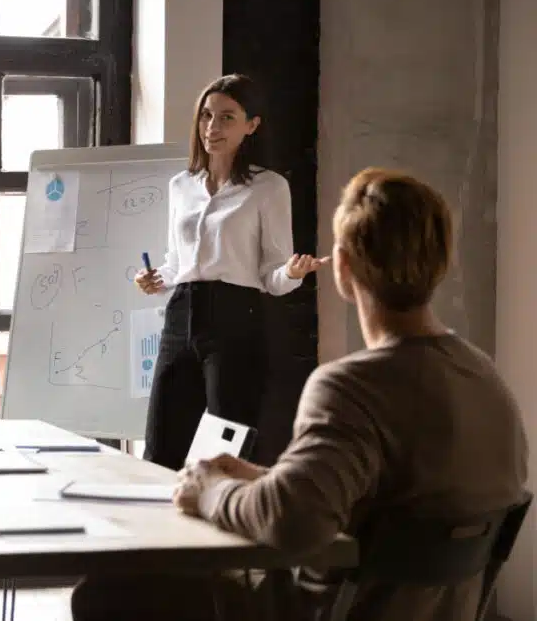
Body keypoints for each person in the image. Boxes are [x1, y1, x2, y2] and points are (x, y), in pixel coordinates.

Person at [72, 168, 529, 621]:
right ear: (442, 261)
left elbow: (293, 523)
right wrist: (262, 478)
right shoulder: (485, 378)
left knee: (110, 591)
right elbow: (368, 498)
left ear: (344, 268)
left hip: (326, 611)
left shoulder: (351, 387)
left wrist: (211, 490)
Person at [135, 73, 328, 470]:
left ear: (252, 125)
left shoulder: (269, 188)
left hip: (235, 317)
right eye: (206, 115)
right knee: (160, 448)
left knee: (228, 445)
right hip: (180, 314)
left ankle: (226, 526)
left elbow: (271, 277)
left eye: (226, 117)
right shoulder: (180, 185)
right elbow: (176, 262)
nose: (212, 127)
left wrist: (292, 273)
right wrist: (155, 280)